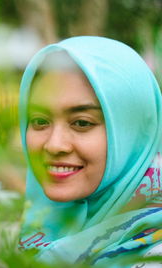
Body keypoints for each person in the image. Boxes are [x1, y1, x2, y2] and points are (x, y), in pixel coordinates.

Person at [18, 36, 162, 267]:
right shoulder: (40, 228)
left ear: (133, 132)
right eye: (39, 120)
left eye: (82, 123)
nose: (54, 145)